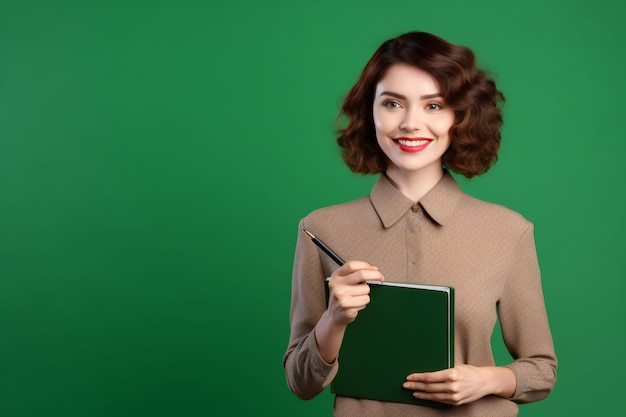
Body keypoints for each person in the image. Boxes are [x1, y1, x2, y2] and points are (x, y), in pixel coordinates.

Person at [283, 31, 557, 417]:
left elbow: (542, 369)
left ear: (459, 116)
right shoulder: (321, 228)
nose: (411, 124)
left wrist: (486, 379)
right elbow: (301, 382)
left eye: (433, 106)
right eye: (392, 103)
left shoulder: (509, 231)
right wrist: (334, 319)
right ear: (370, 111)